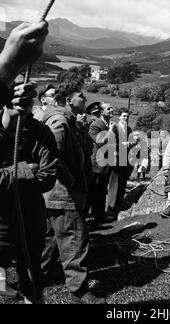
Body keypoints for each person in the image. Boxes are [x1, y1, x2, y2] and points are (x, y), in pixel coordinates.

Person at [0, 21, 59, 304]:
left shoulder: (42, 133)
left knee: (33, 281)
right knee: (3, 281)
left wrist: (9, 174)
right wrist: (25, 170)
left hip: (30, 221)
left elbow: (48, 176)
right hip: (1, 226)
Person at [38, 83, 104, 304]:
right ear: (67, 99)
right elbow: (52, 154)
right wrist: (70, 178)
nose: (84, 99)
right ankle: (79, 291)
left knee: (49, 240)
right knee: (74, 241)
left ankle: (36, 278)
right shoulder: (60, 121)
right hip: (63, 194)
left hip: (53, 195)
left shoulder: (69, 121)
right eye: (80, 96)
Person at [106, 108, 139, 221]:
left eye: (127, 116)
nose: (126, 118)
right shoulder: (114, 128)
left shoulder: (129, 129)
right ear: (119, 117)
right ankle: (109, 210)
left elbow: (131, 143)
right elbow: (111, 143)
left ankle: (117, 210)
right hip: (116, 159)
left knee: (122, 186)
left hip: (126, 160)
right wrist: (124, 144)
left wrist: (134, 142)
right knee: (114, 185)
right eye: (124, 116)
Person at [89, 103, 115, 225]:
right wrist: (110, 131)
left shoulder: (109, 125)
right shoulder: (96, 125)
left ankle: (99, 217)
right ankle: (89, 217)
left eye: (111, 108)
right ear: (101, 112)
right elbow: (100, 141)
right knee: (93, 191)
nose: (111, 109)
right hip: (97, 165)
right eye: (108, 108)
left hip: (107, 164)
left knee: (102, 191)